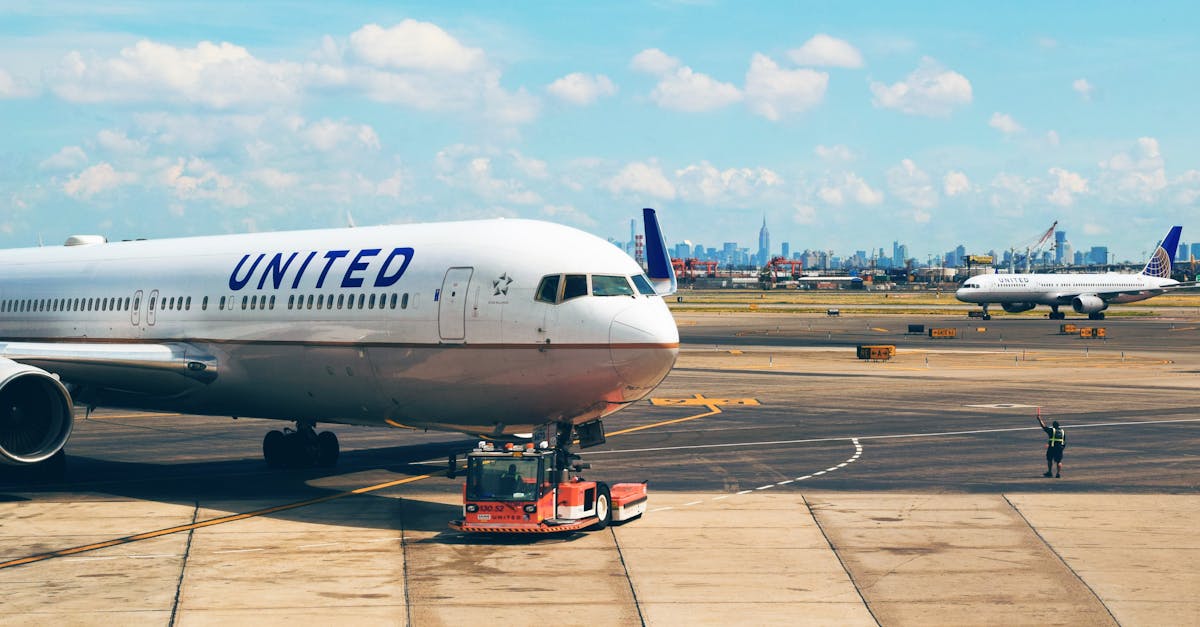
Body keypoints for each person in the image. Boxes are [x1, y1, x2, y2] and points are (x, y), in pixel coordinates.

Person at [1037, 413, 1066, 478]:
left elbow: (1044, 427)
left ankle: (1050, 472)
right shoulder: (1062, 431)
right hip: (1059, 448)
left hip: (1052, 448)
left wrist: (1039, 419)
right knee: (1059, 461)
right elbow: (1064, 441)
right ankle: (1058, 474)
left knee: (1049, 459)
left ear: (1053, 426)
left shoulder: (1052, 430)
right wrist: (1062, 448)